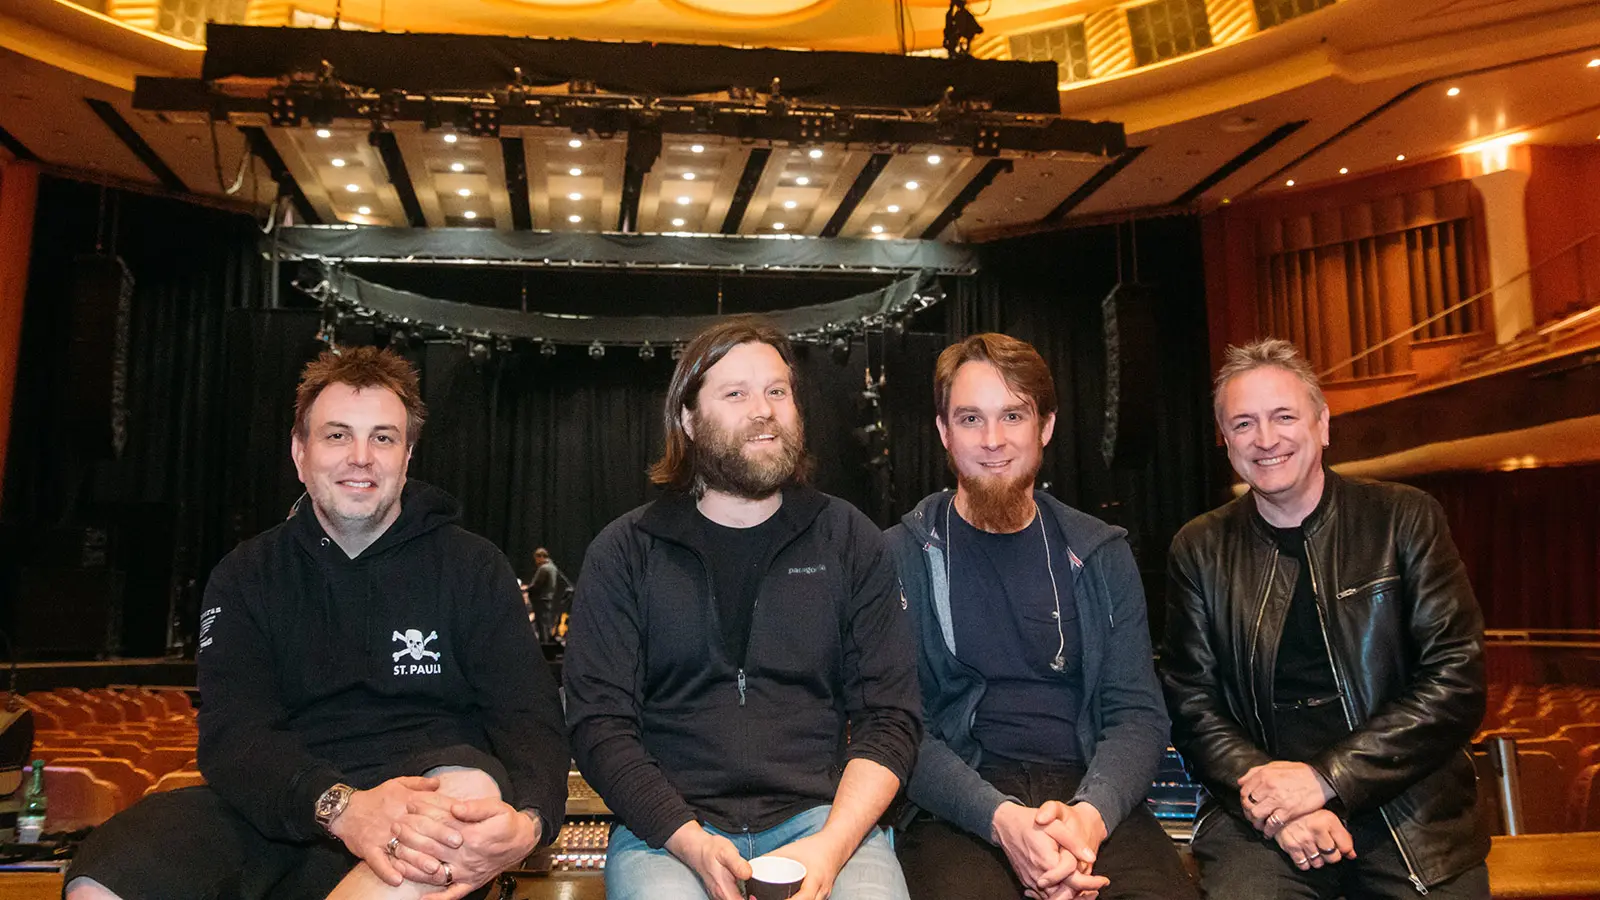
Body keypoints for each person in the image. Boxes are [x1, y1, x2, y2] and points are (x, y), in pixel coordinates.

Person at [65, 346, 569, 900]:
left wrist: (532, 822)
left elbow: (529, 714)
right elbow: (235, 736)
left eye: (383, 437)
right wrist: (343, 806)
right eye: (337, 435)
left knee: (463, 795)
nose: (361, 456)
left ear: (407, 457)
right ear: (299, 453)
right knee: (99, 879)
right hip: (284, 800)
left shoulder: (473, 566)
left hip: (425, 794)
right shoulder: (246, 575)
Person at [564, 316, 921, 900]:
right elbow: (599, 725)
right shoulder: (625, 552)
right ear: (688, 418)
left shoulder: (850, 538)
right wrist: (687, 838)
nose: (765, 410)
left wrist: (831, 845)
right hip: (669, 833)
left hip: (824, 821)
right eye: (736, 393)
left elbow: (891, 718)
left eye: (777, 391)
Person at [1163, 338, 1489, 898]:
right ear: (1226, 440)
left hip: (1407, 812)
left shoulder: (1404, 519)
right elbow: (1193, 703)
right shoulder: (1199, 547)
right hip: (1260, 819)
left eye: (1283, 416)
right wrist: (1279, 805)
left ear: (1323, 424)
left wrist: (1322, 780)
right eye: (1243, 424)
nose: (1265, 439)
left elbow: (1456, 682)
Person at [885, 334, 1195, 900]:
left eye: (1013, 415)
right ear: (943, 432)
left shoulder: (1101, 552)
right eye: (971, 418)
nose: (993, 439)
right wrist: (1004, 822)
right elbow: (900, 728)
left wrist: (1086, 820)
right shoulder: (898, 557)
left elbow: (1138, 716)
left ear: (1045, 427)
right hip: (960, 804)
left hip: (1090, 795)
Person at [526, 548, 570, 644]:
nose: (536, 561)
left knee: (542, 626)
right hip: (548, 599)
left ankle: (544, 647)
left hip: (541, 599)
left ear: (540, 557)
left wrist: (526, 589)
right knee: (546, 623)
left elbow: (536, 585)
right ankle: (547, 645)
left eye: (536, 558)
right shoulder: (553, 567)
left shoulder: (544, 568)